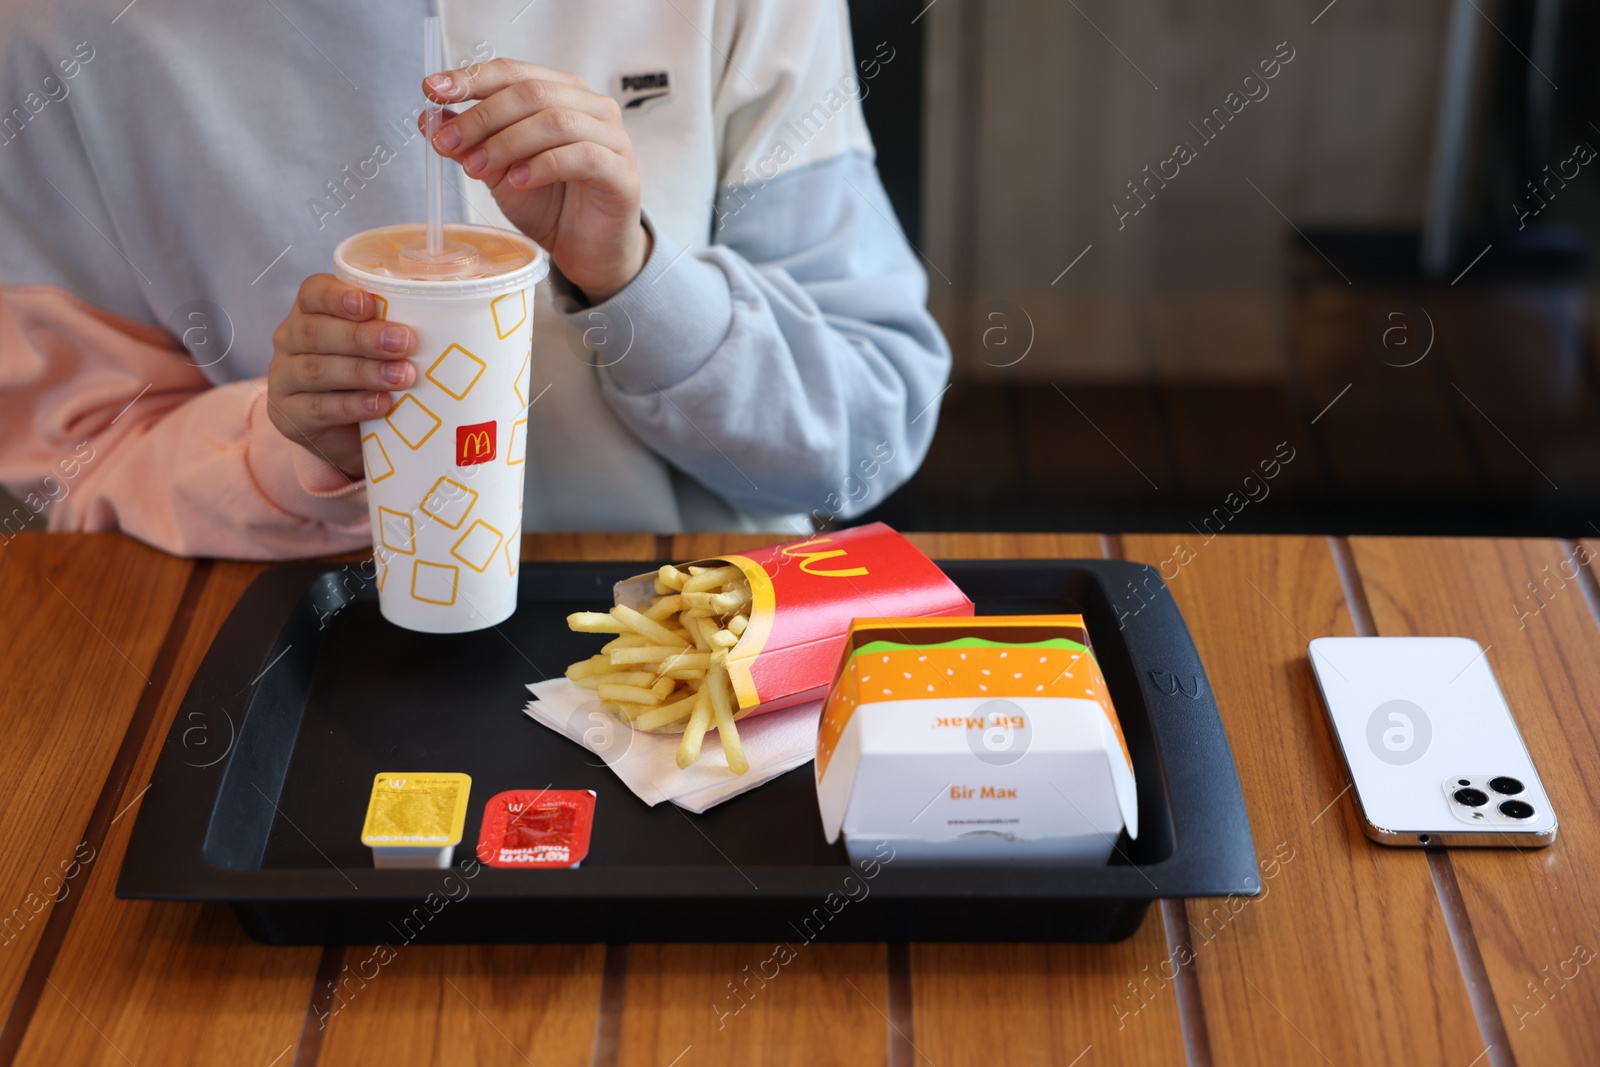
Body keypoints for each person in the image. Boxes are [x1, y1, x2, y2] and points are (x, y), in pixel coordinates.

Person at [0, 0, 948, 558]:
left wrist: (637, 284)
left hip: (712, 647)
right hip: (284, 660)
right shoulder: (52, 35)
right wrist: (292, 453)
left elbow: (869, 428)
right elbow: (75, 468)